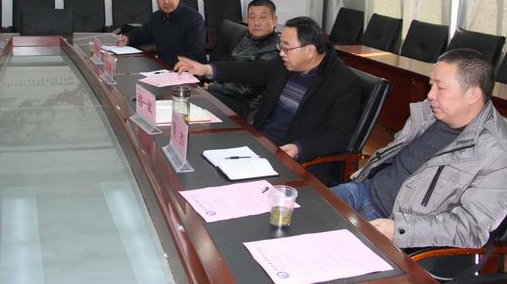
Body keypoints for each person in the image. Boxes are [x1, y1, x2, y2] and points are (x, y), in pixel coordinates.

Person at [332, 49, 507, 249]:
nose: (430, 95)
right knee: (305, 210)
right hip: (364, 189)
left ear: (473, 95)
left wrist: (399, 230)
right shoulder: (430, 113)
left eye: (440, 88)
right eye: (431, 85)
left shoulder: (498, 153)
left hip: (394, 222)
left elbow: (471, 228)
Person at [174, 16, 360, 185]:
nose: (281, 53)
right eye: (280, 46)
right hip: (260, 144)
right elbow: (251, 71)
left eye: (286, 48)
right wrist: (206, 69)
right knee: (198, 161)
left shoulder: (342, 82)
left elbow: (339, 136)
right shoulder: (286, 65)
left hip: (294, 159)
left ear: (310, 51)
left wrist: (299, 148)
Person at [207, 0, 279, 119]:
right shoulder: (248, 37)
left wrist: (213, 86)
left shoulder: (273, 50)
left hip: (248, 105)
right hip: (230, 93)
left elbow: (246, 89)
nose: (256, 22)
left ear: (274, 20)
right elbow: (233, 66)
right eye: (252, 17)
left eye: (262, 17)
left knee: (200, 101)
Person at [116, 0, 206, 66]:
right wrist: (128, 38)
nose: (166, 1)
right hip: (163, 68)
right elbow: (143, 34)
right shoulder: (156, 17)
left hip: (189, 71)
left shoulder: (193, 19)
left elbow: (195, 53)